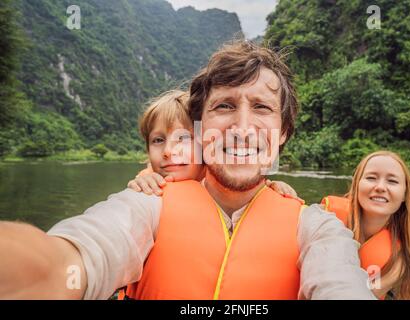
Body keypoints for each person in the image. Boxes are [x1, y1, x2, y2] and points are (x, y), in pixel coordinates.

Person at [0, 41, 375, 300]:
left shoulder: (318, 229)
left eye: (261, 107)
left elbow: (340, 282)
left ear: (284, 133)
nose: (242, 127)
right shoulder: (147, 205)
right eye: (224, 106)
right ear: (199, 127)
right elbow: (74, 256)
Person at [127, 89, 299, 198]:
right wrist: (143, 184)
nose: (168, 151)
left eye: (184, 138)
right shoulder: (147, 189)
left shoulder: (228, 186)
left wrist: (272, 190)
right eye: (158, 140)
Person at [321, 151, 410, 299]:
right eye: (371, 178)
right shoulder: (325, 216)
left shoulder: (398, 256)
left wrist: (387, 282)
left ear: (404, 194)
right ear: (356, 185)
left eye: (392, 181)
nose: (380, 187)